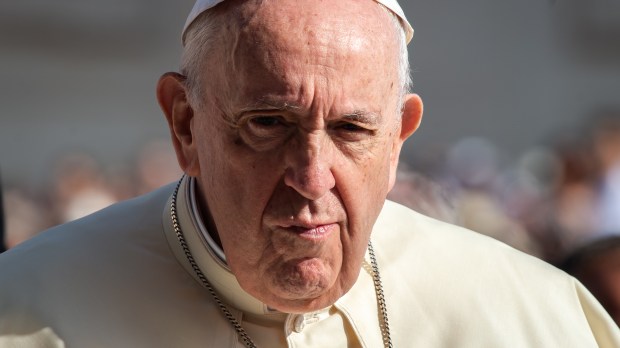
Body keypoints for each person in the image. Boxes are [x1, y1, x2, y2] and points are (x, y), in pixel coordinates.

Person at [0, 0, 619, 346]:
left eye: (352, 130)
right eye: (268, 124)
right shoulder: (22, 311)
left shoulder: (537, 319)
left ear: (400, 135)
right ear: (186, 125)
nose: (312, 176)